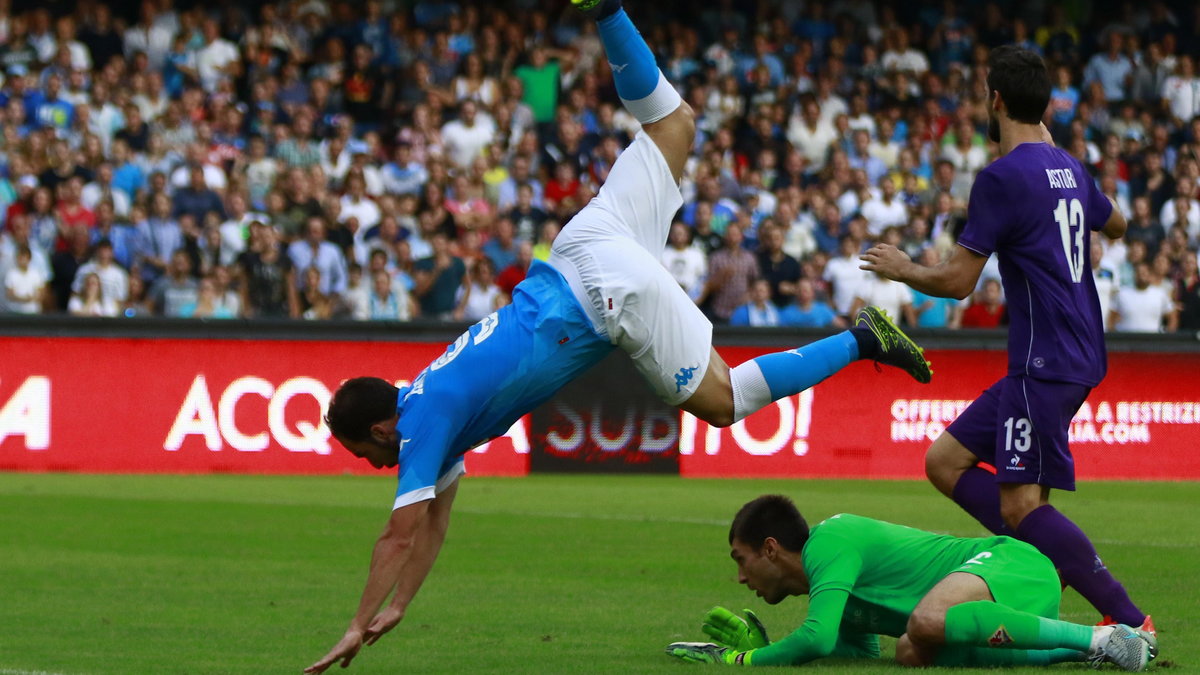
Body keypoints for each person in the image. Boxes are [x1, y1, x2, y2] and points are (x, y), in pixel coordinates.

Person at [304, 3, 932, 672]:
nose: (375, 465)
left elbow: (398, 529)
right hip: (581, 243)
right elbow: (434, 523)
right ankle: (607, 11)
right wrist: (399, 604)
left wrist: (354, 622)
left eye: (365, 454)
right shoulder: (431, 404)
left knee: (722, 402)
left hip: (600, 298)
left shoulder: (421, 421)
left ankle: (862, 339)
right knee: (674, 122)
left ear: (378, 431)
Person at [860, 46, 1152, 634]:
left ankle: (1127, 618)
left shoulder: (999, 179)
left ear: (995, 101)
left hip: (1044, 360)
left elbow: (959, 282)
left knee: (1020, 505)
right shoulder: (1070, 168)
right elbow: (1116, 222)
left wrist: (903, 268)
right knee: (944, 460)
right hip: (1076, 350)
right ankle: (1044, 557)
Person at [665, 495, 1156, 669]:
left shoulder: (830, 543)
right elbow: (858, 654)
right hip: (1006, 610)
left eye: (742, 559)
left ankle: (1106, 635)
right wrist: (773, 648)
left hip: (1013, 565)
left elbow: (813, 637)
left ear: (771, 548)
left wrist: (744, 660)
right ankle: (1081, 651)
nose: (740, 576)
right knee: (910, 650)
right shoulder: (828, 583)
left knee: (925, 620)